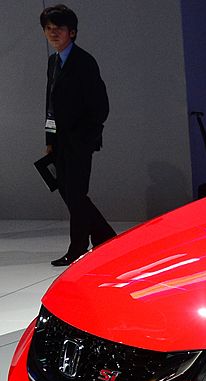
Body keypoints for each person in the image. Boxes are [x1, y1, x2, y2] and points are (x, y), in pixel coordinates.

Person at [40, 4, 116, 267]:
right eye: (48, 28)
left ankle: (78, 247)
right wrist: (50, 140)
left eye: (58, 28)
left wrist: (82, 137)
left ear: (71, 32)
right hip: (60, 143)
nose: (52, 33)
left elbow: (100, 106)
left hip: (80, 142)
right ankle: (105, 236)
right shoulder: (53, 62)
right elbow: (50, 105)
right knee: (71, 193)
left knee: (75, 193)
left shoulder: (84, 61)